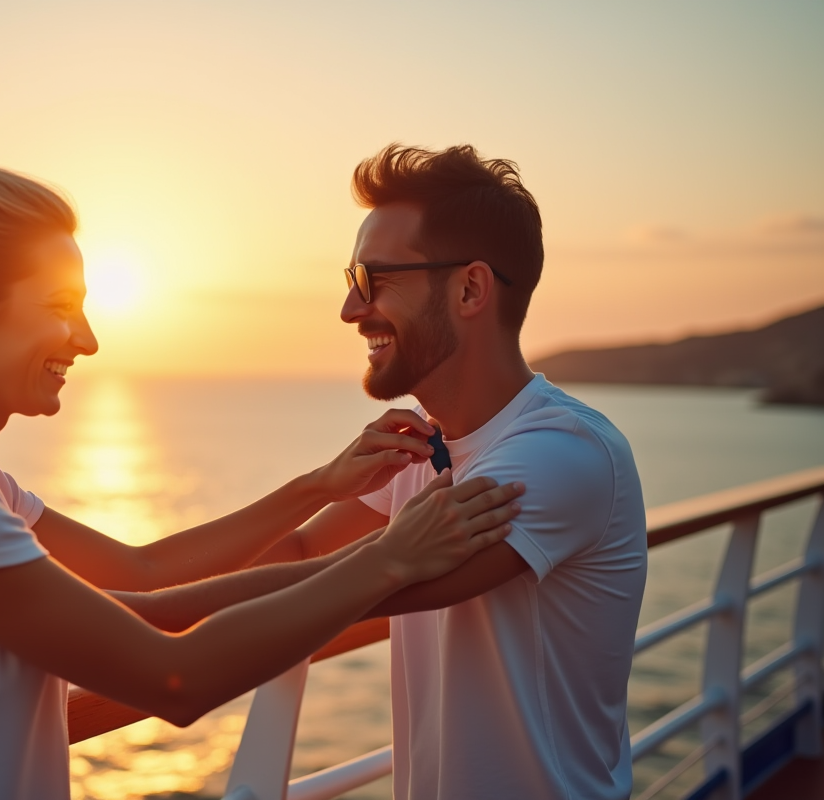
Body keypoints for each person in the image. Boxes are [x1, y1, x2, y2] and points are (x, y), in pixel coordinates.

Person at [0, 151, 526, 800]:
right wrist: (387, 560)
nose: (87, 340)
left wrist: (321, 486)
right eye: (60, 307)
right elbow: (175, 679)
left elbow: (142, 577)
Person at [242, 144, 648, 799]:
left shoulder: (560, 453)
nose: (350, 309)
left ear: (469, 289)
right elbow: (300, 553)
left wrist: (112, 617)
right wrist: (319, 482)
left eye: (373, 279)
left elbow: (336, 590)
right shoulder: (422, 448)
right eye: (351, 278)